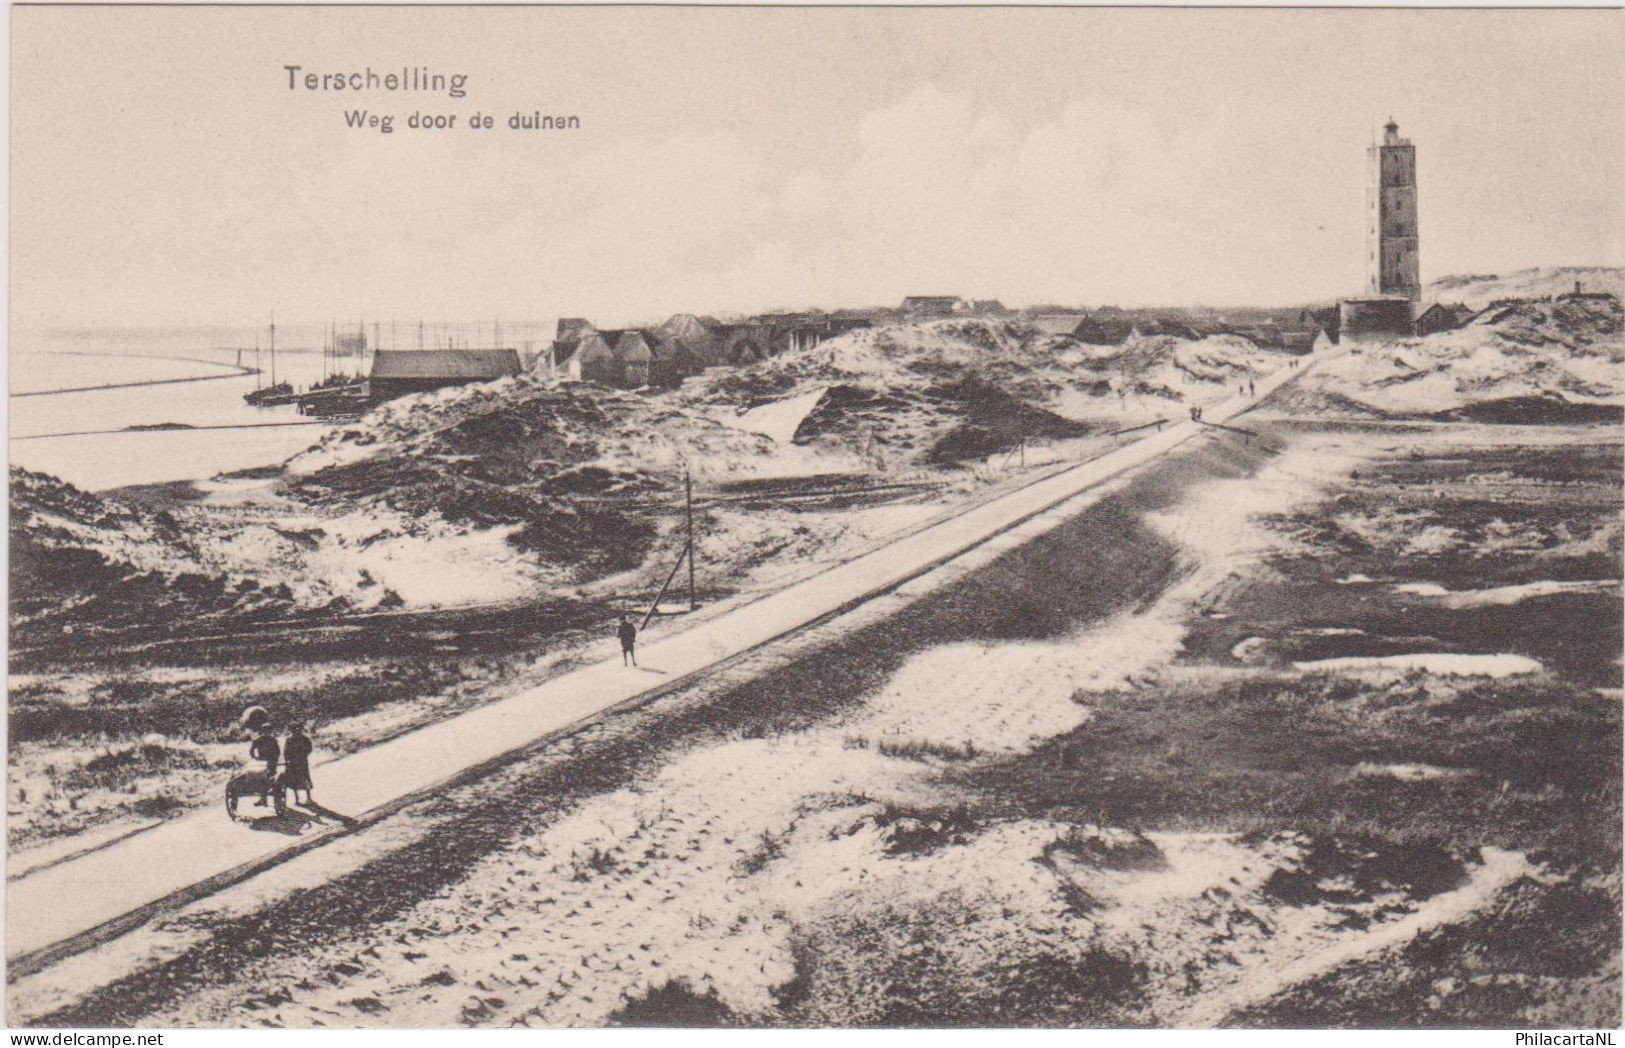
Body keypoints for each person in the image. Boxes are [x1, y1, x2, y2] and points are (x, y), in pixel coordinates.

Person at [283, 721, 314, 806]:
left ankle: (309, 798)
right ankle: (297, 799)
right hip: (293, 763)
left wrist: (303, 755)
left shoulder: (304, 739)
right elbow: (286, 752)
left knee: (305, 779)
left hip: (302, 762)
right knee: (294, 781)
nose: (296, 731)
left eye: (297, 729)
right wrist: (287, 760)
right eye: (293, 729)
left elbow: (309, 748)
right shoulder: (289, 740)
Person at [248, 724, 280, 806]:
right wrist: (254, 757)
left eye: (269, 731)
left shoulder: (273, 740)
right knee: (260, 779)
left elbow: (277, 752)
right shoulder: (259, 740)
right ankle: (263, 799)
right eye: (265, 731)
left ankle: (265, 798)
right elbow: (252, 749)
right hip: (261, 763)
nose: (267, 732)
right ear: (262, 731)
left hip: (271, 762)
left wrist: (274, 760)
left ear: (270, 731)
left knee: (270, 778)